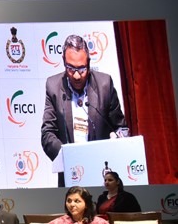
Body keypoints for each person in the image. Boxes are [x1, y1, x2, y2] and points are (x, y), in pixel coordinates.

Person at [41, 35, 128, 186]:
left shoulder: (105, 84)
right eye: (70, 68)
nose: (76, 75)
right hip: (70, 175)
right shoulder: (53, 86)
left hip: (102, 173)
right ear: (63, 62)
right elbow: (47, 134)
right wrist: (69, 157)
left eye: (81, 69)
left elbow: (121, 128)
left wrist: (117, 140)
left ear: (88, 63)